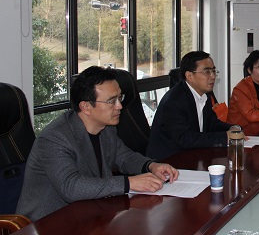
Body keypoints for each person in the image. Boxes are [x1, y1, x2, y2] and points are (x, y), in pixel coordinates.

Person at [17, 66, 178, 222]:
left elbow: (124, 158)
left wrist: (151, 166)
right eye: (111, 101)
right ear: (86, 107)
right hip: (47, 224)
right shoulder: (55, 138)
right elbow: (71, 187)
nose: (120, 106)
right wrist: (129, 183)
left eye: (119, 98)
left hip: (87, 213)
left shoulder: (106, 128)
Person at [147, 51, 233, 160]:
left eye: (213, 71)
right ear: (189, 76)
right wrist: (225, 137)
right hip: (169, 161)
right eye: (207, 72)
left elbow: (212, 123)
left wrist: (233, 129)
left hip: (192, 155)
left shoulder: (204, 94)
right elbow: (185, 139)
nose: (212, 76)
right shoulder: (174, 102)